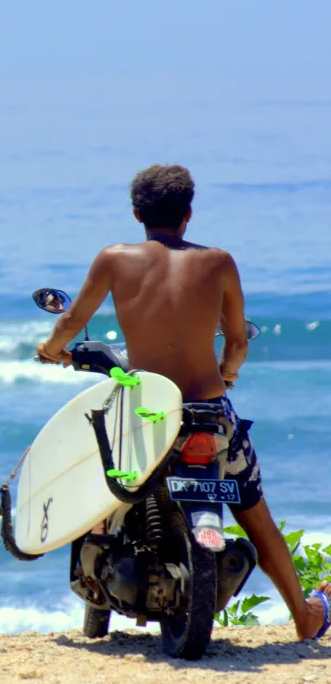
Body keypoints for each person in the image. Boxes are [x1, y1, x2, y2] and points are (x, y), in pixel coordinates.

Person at [36, 164, 330, 641]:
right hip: (210, 413)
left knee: (97, 472)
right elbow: (237, 341)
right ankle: (304, 616)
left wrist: (51, 350)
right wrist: (227, 377)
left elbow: (72, 321)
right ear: (189, 214)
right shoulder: (220, 262)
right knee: (255, 512)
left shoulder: (113, 258)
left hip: (149, 409)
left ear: (136, 213)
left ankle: (97, 569)